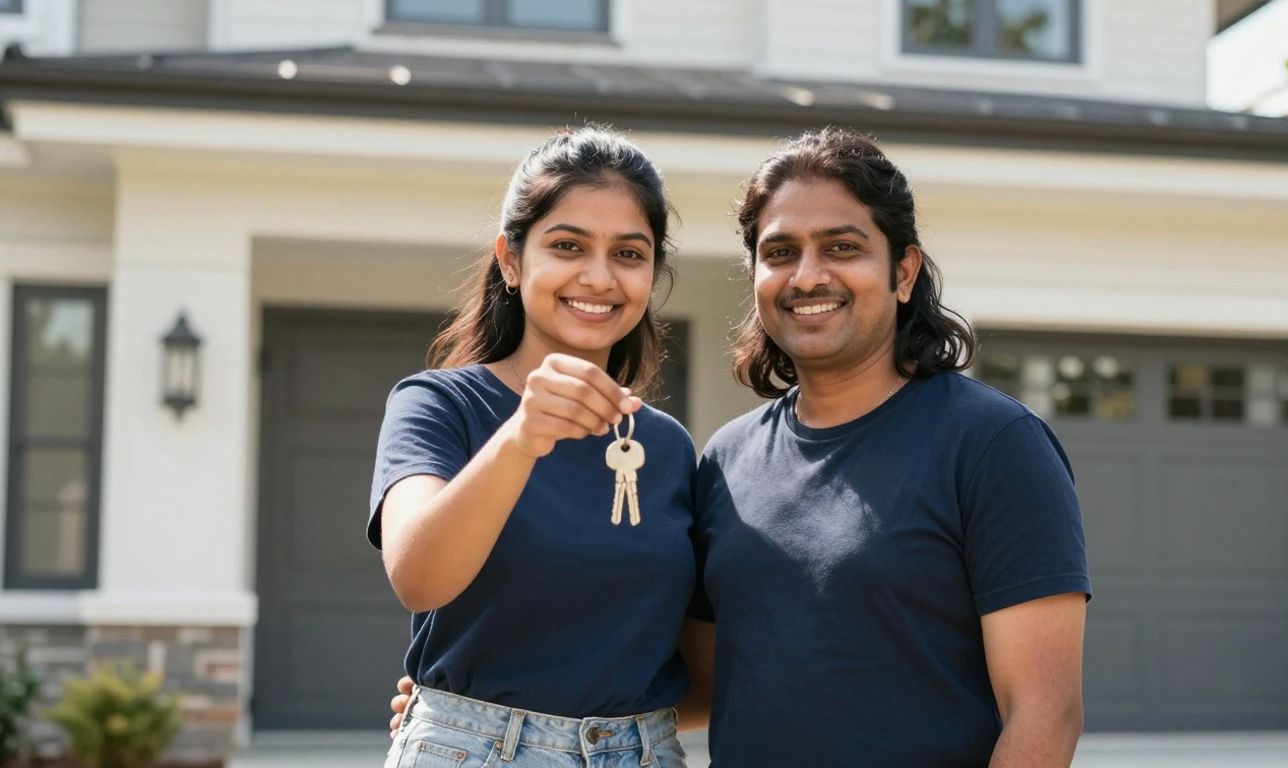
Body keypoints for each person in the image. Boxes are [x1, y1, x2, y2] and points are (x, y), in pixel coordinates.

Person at [392, 127, 1089, 767]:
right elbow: (716, 679)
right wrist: (467, 705)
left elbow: (1045, 713)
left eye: (842, 247)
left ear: (904, 272)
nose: (808, 276)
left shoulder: (993, 442)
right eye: (780, 252)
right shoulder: (725, 460)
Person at [369, 126, 709, 768]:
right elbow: (418, 576)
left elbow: (696, 676)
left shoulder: (667, 450)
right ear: (511, 259)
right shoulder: (440, 405)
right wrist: (524, 435)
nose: (599, 275)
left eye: (630, 254)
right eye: (567, 245)